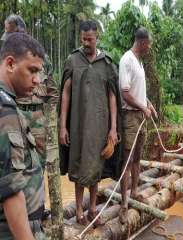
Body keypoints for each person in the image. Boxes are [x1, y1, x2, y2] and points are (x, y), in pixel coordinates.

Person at [59, 20, 120, 226]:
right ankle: (78, 212)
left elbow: (113, 96)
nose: (86, 43)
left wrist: (113, 128)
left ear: (97, 38)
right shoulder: (73, 60)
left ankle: (93, 210)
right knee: (78, 167)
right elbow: (65, 92)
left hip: (100, 127)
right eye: (83, 39)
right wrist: (62, 125)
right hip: (77, 125)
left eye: (90, 39)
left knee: (96, 169)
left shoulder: (106, 63)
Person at [0, 33, 46, 239]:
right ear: (10, 64)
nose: (37, 80)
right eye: (32, 70)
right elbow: (11, 192)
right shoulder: (6, 112)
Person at [1, 14, 58, 169]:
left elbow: (52, 93)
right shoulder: (4, 58)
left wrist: (49, 122)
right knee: (12, 165)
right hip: (10, 117)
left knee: (36, 166)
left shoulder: (41, 58)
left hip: (36, 120)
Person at [118, 27, 157, 223]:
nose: (149, 47)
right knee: (127, 159)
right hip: (131, 117)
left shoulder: (139, 62)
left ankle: (134, 192)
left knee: (137, 157)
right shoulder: (127, 60)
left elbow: (137, 89)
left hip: (141, 116)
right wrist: (143, 107)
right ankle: (124, 204)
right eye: (148, 43)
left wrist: (148, 103)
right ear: (142, 42)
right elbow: (125, 93)